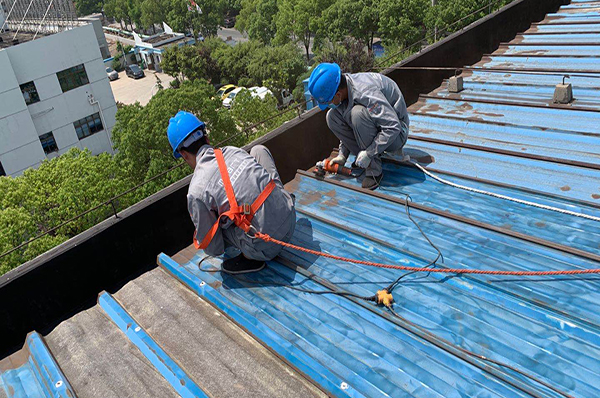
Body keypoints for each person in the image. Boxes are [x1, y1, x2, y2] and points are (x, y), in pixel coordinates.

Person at [167, 111, 296, 274]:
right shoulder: (233, 151)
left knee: (218, 228)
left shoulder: (196, 191)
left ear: (184, 155)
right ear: (206, 139)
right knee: (258, 150)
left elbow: (214, 248)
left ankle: (251, 257)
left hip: (267, 247)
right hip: (290, 216)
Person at [308, 63, 410, 190]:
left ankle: (374, 171)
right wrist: (342, 155)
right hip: (378, 128)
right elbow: (345, 120)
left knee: (357, 114)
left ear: (338, 94)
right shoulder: (345, 89)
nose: (329, 104)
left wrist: (369, 152)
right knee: (332, 116)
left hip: (398, 133)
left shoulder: (365, 92)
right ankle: (363, 160)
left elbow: (393, 126)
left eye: (329, 101)